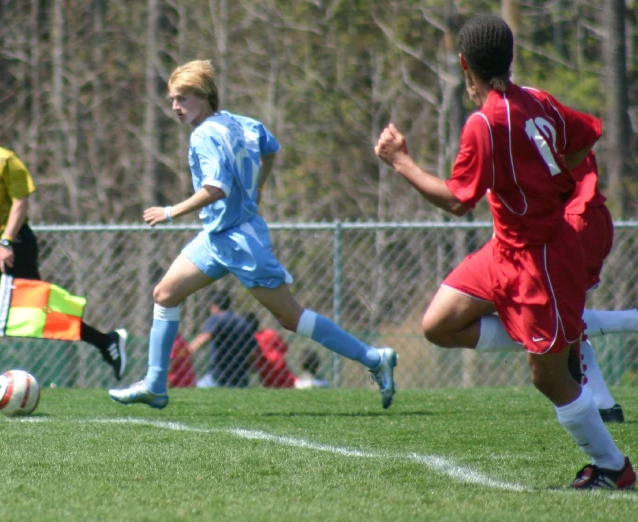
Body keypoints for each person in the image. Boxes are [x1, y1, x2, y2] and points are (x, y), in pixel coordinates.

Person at [375, 15, 633, 489]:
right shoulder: (536, 99)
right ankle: (558, 337)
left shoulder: (484, 122)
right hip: (503, 252)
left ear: (462, 63)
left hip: (539, 260)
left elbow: (456, 200)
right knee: (438, 325)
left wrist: (400, 161)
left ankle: (614, 468)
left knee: (548, 380)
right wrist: (551, 182)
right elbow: (584, 139)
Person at [110, 59, 397, 410]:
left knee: (291, 317)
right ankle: (155, 384)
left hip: (240, 242)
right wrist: (257, 188)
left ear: (203, 97)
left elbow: (216, 187)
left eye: (182, 99)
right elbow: (271, 148)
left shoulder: (203, 134)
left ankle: (373, 358)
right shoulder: (239, 122)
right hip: (217, 236)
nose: (175, 107)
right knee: (165, 293)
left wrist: (170, 211)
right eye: (172, 99)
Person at [0, 100, 127, 392]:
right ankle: (105, 342)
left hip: (17, 241)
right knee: (40, 314)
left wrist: (7, 241)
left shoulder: (4, 159)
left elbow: (21, 203)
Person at [471, 152, 624, 423]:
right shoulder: (550, 117)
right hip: (588, 217)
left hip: (568, 222)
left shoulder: (516, 121)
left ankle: (590, 393)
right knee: (565, 321)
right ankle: (604, 405)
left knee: (553, 320)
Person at [189, 290, 257, 388]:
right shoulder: (243, 323)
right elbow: (253, 352)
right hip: (240, 376)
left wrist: (187, 351)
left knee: (197, 390)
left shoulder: (216, 319)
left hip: (219, 374)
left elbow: (205, 337)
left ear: (214, 306)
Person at [245, 312, 297, 388]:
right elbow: (284, 348)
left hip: (267, 376)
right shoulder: (270, 333)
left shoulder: (252, 340)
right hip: (284, 373)